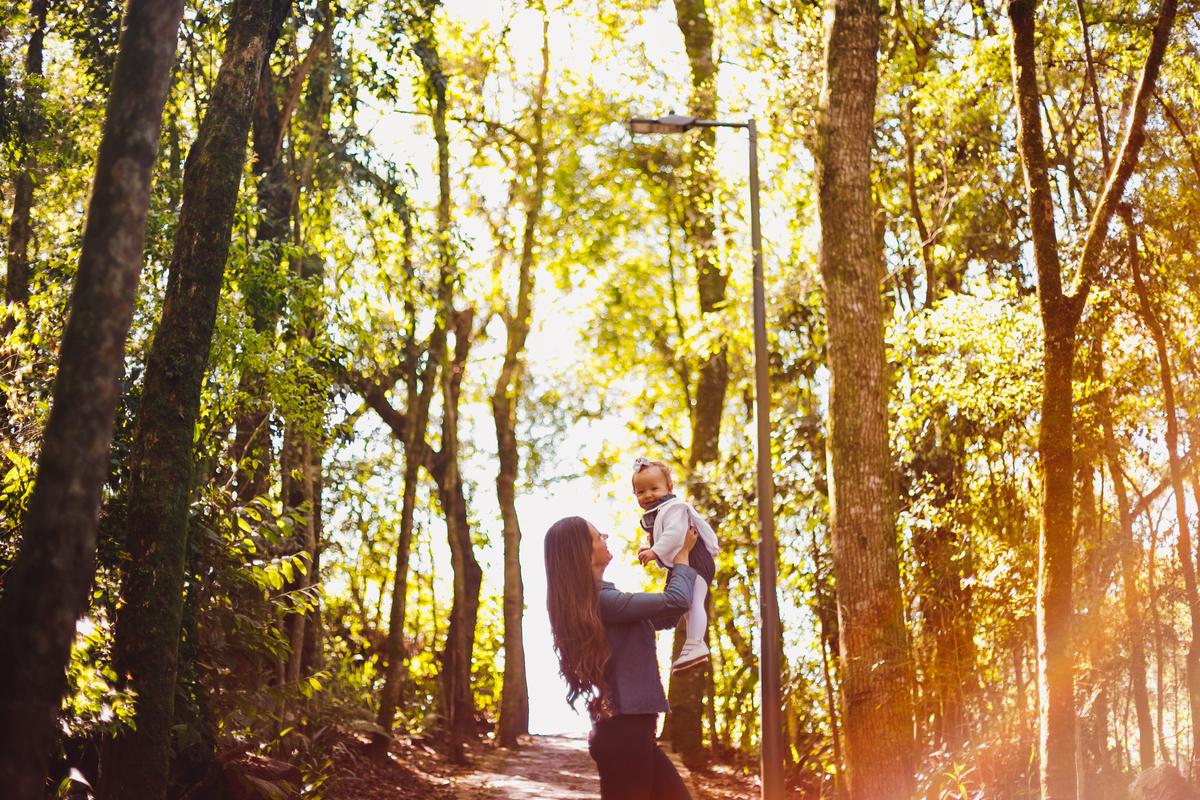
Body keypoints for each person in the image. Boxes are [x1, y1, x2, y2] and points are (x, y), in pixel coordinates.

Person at [544, 515, 697, 800]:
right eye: (597, 535)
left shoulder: (604, 600)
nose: (606, 537)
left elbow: (669, 615)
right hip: (624, 735)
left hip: (633, 734)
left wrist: (673, 560)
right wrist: (683, 556)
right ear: (583, 552)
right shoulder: (600, 602)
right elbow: (676, 601)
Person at [631, 457, 719, 673]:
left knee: (694, 602)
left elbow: (674, 534)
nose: (648, 495)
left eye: (654, 488)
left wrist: (655, 551)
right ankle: (694, 643)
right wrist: (652, 549)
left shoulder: (674, 508)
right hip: (686, 562)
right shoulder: (659, 513)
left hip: (697, 561)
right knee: (687, 606)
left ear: (669, 488)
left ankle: (696, 642)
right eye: (641, 492)